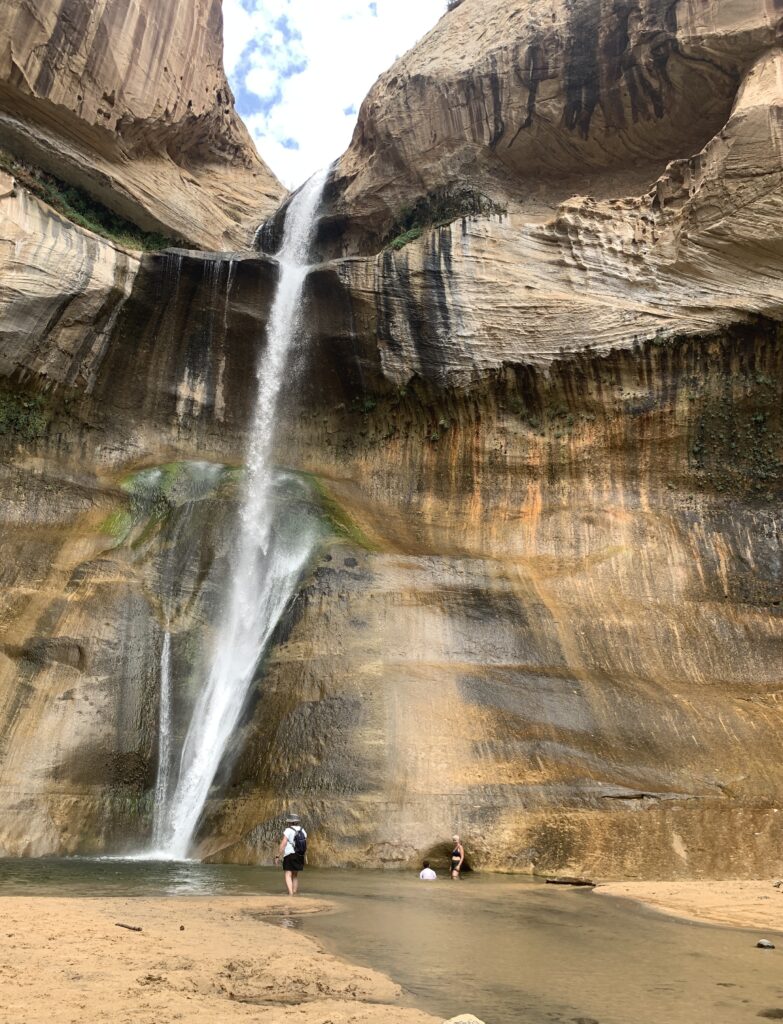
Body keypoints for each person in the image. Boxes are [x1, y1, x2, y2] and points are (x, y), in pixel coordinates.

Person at [275, 812, 307, 895]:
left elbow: (283, 843)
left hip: (290, 854)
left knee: (288, 874)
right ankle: (294, 892)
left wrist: (278, 855)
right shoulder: (302, 830)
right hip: (300, 855)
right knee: (295, 875)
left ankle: (290, 894)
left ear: (289, 822)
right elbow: (304, 844)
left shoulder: (288, 830)